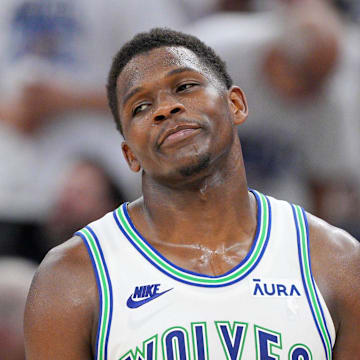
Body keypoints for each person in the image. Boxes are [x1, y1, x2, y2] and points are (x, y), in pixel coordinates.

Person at [24, 28, 360, 359]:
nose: (165, 109)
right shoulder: (70, 278)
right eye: (140, 107)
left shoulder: (337, 261)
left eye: (184, 87)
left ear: (236, 105)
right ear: (130, 155)